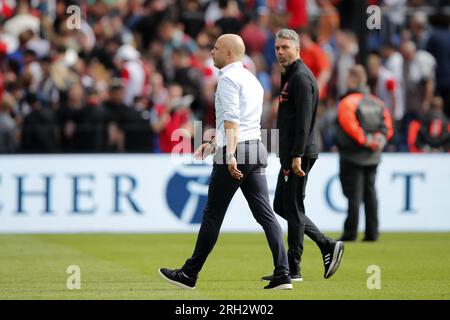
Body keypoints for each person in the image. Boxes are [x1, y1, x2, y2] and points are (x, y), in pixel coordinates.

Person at [159, 34, 292, 290]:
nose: (211, 51)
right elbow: (240, 121)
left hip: (236, 152)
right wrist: (212, 144)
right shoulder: (252, 80)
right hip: (255, 148)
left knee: (212, 215)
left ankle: (189, 274)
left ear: (229, 54)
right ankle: (283, 273)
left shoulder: (228, 79)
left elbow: (231, 120)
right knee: (264, 213)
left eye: (216, 48)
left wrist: (228, 154)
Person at [262, 28, 344, 283]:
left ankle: (293, 269)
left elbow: (305, 121)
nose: (280, 52)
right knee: (282, 206)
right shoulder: (290, 75)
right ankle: (325, 244)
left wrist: (296, 155)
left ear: (297, 49)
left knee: (293, 207)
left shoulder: (301, 78)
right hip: (290, 152)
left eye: (285, 47)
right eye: (277, 48)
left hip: (299, 153)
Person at [336, 65, 394, 242]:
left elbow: (350, 126)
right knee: (370, 194)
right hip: (373, 155)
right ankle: (372, 232)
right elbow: (388, 127)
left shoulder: (348, 102)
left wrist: (366, 140)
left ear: (353, 80)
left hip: (353, 155)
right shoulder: (377, 102)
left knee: (354, 196)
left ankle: (350, 232)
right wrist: (378, 141)